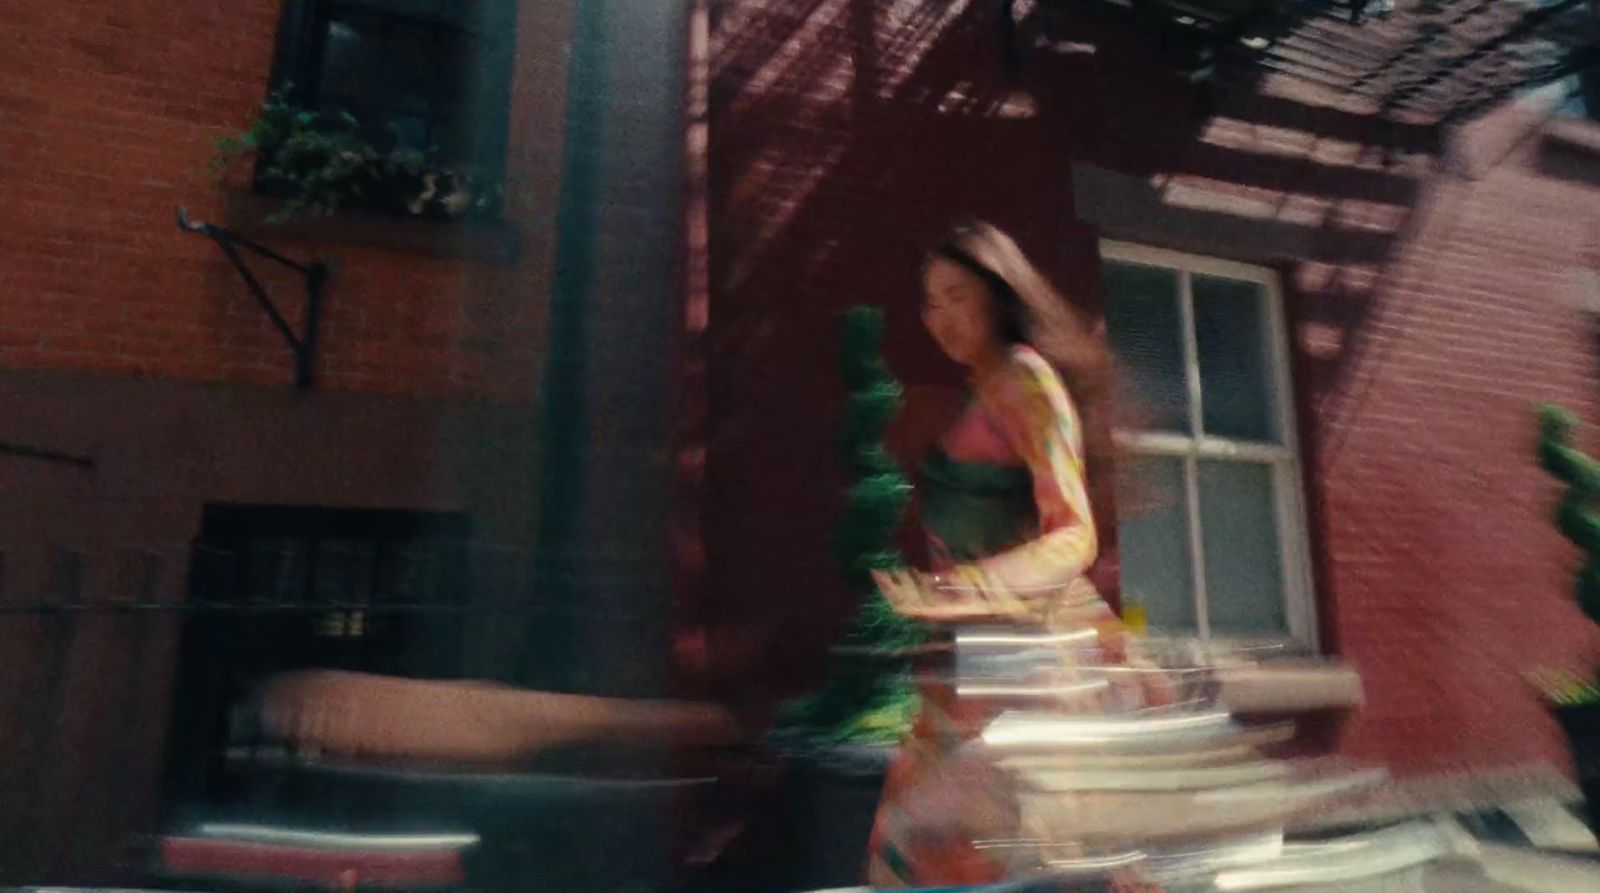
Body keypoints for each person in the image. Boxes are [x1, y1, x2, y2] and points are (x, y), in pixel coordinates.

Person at [866, 222, 1170, 890]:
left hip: (1036, 661)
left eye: (958, 295)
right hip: (976, 660)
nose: (941, 316)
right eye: (930, 301)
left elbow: (1073, 535)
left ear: (999, 297)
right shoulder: (982, 393)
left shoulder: (1027, 379)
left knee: (985, 856)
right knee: (922, 857)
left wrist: (964, 585)